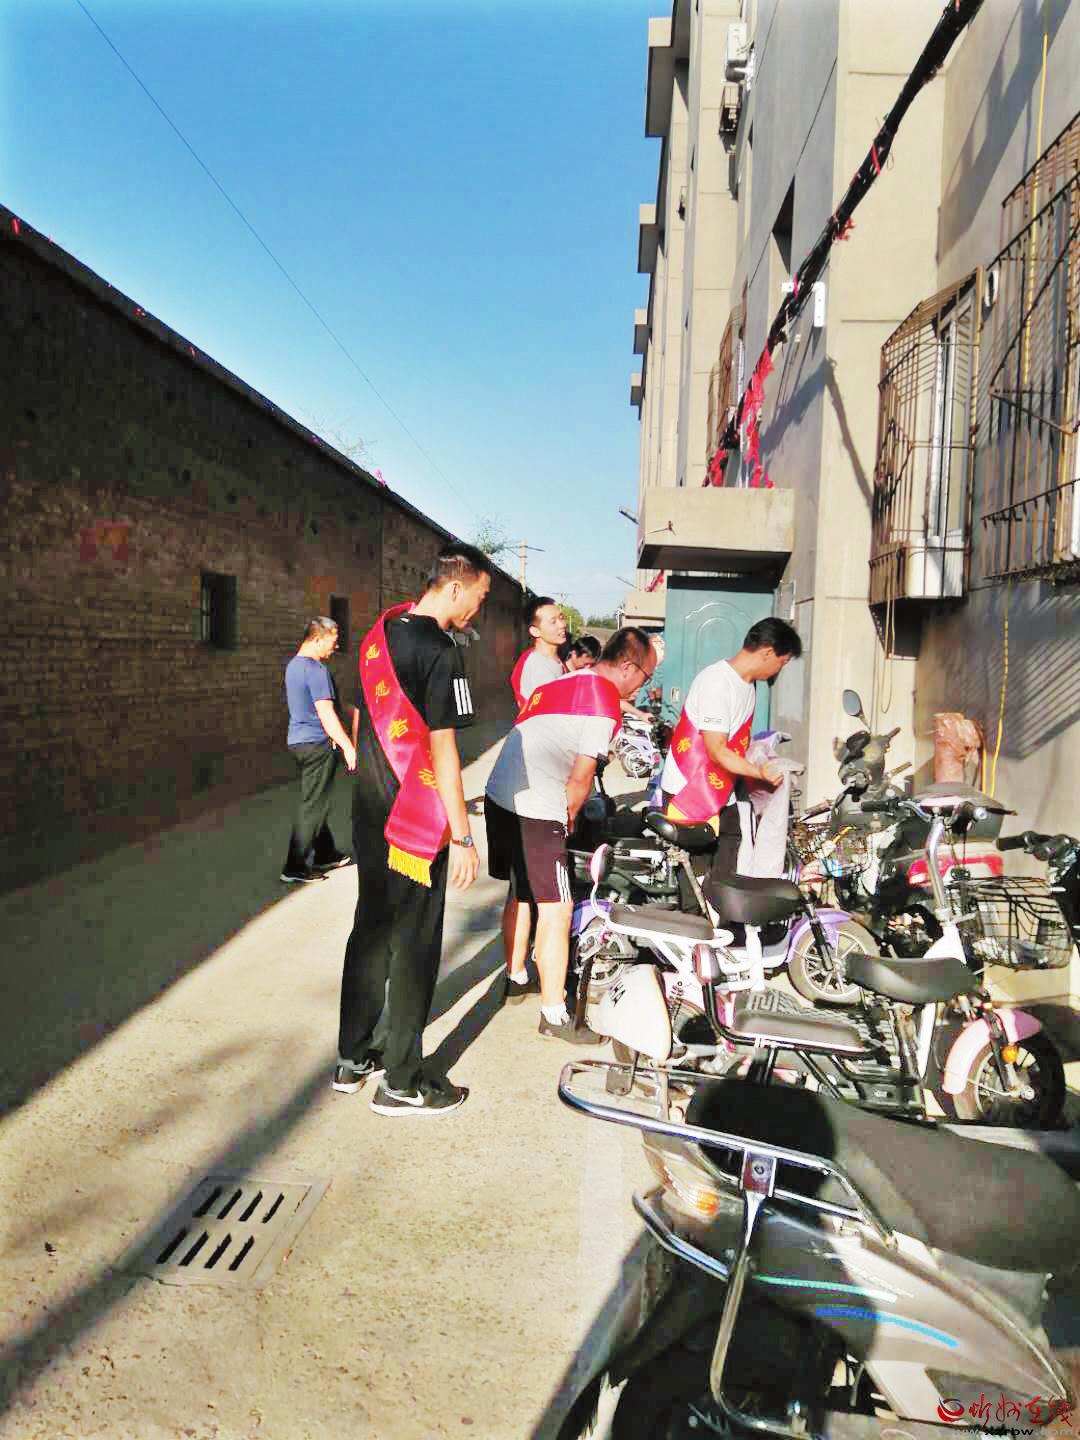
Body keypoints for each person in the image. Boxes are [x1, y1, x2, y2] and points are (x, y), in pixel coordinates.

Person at [335, 543, 492, 1116]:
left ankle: (352, 1058)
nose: (478, 608)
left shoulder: (377, 636)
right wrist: (463, 834)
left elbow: (360, 723)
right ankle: (400, 1082)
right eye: (479, 596)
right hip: (416, 821)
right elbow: (444, 751)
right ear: (455, 587)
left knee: (370, 930)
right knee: (415, 944)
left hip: (369, 813)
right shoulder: (441, 650)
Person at [485, 627, 658, 1040]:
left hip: (499, 794)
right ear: (628, 666)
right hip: (537, 807)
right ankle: (554, 1015)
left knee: (520, 892)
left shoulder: (568, 680)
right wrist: (568, 821)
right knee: (558, 909)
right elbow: (581, 779)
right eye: (646, 676)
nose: (643, 686)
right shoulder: (603, 704)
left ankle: (515, 977)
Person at [660, 617, 802, 880]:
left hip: (723, 790)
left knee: (730, 859)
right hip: (691, 790)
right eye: (781, 663)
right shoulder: (717, 682)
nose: (779, 670)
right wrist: (759, 772)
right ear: (767, 652)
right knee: (696, 871)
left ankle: (720, 904)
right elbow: (717, 750)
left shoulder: (748, 685)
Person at [281, 618, 357, 884]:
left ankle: (326, 853)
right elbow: (326, 713)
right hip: (317, 744)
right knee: (313, 805)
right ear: (316, 638)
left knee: (316, 799)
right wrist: (348, 745)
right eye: (332, 642)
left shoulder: (294, 666)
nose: (335, 648)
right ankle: (294, 866)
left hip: (298, 742)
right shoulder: (316, 670)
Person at [509, 596, 567, 709]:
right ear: (535, 631)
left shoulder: (552, 659)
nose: (562, 625)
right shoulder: (538, 665)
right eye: (553, 622)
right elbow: (550, 710)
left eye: (561, 618)